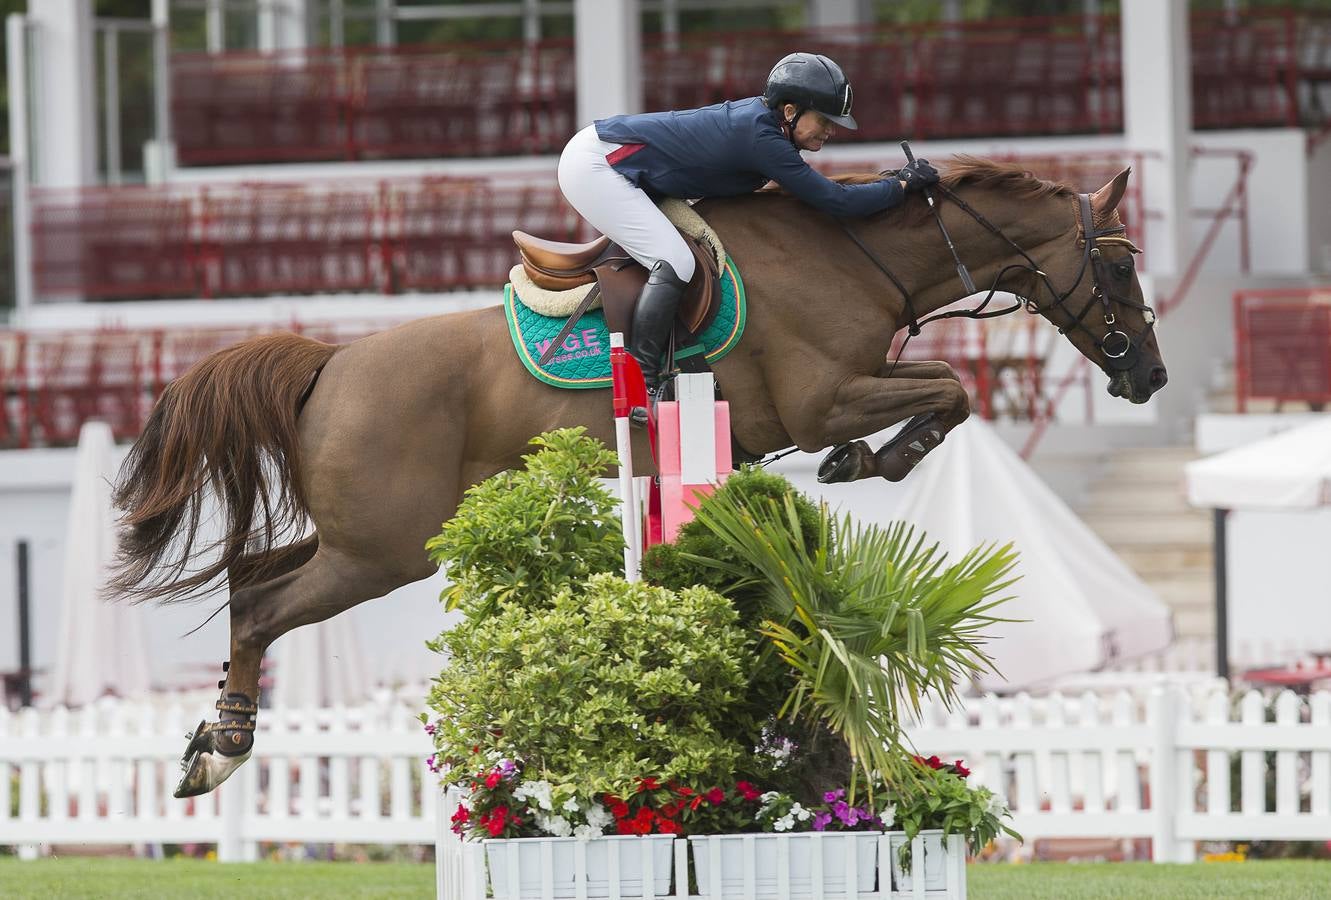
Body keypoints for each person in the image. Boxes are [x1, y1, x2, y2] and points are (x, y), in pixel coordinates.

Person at [556, 51, 940, 390]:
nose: (831, 130)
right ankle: (644, 378)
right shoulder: (762, 138)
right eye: (824, 119)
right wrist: (900, 186)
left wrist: (892, 183)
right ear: (789, 112)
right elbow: (832, 200)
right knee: (677, 260)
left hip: (618, 165)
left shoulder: (767, 131)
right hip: (597, 166)